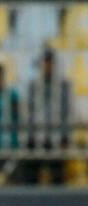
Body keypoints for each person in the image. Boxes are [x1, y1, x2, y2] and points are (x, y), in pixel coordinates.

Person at [24, 47, 71, 185]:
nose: (47, 66)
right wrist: (29, 137)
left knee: (57, 178)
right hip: (37, 137)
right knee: (32, 179)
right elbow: (28, 113)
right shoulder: (33, 86)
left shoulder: (63, 86)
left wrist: (65, 137)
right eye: (45, 62)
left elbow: (67, 112)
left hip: (56, 138)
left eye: (50, 62)